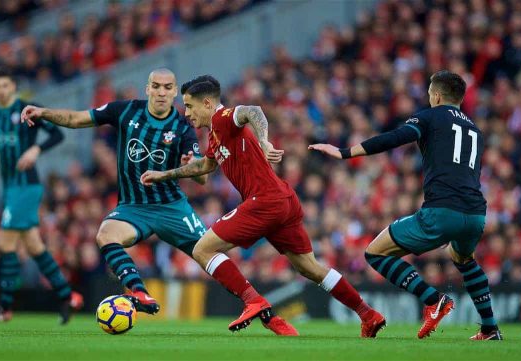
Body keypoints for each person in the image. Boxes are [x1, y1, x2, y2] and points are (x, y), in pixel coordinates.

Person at [21, 70, 296, 335]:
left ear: (175, 91)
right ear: (147, 89)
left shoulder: (183, 126)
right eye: (156, 86)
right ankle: (139, 292)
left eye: (168, 87)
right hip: (133, 206)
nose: (162, 92)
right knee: (105, 235)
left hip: (171, 207)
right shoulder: (125, 111)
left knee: (210, 253)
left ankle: (262, 309)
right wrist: (44, 112)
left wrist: (189, 162)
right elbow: (78, 119)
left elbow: (201, 176)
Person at [141, 75, 386, 338]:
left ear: (208, 103)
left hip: (265, 201)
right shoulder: (214, 136)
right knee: (309, 267)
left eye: (190, 106)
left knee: (202, 249)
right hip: (282, 200)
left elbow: (252, 111)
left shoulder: (223, 118)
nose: (187, 113)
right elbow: (204, 166)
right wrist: (164, 175)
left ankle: (253, 301)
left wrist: (265, 140)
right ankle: (367, 314)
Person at [309, 70, 502, 341]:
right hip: (476, 214)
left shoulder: (429, 116)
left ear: (436, 96)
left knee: (376, 253)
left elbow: (396, 137)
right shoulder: (475, 130)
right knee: (463, 258)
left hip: (442, 210)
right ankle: (490, 328)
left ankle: (434, 300)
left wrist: (344, 153)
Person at [0, 67, 83, 323]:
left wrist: (35, 149)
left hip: (27, 185)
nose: (1, 90)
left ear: (13, 86)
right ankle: (68, 296)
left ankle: (4, 308)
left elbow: (57, 134)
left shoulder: (28, 109)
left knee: (5, 242)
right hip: (11, 186)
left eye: (5, 85)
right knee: (35, 246)